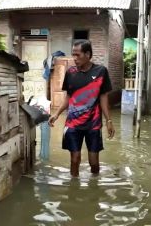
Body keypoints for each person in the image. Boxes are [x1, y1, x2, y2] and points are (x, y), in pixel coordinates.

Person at [48, 39, 115, 177]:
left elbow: (103, 97)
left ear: (88, 54)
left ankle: (94, 187)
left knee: (94, 162)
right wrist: (57, 114)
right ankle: (73, 189)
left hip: (93, 124)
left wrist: (109, 121)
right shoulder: (70, 73)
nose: (74, 58)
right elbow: (68, 97)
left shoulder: (101, 71)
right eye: (73, 54)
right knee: (74, 159)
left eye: (78, 55)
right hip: (73, 123)